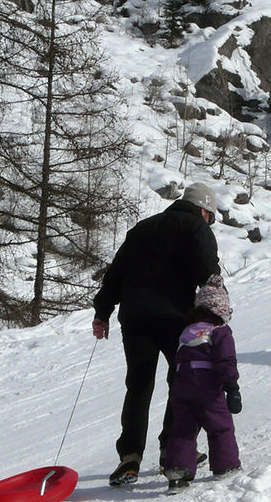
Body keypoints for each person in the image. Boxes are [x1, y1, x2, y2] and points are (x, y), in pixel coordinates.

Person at [92, 183, 221, 486]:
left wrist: (102, 312)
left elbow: (115, 274)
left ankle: (130, 457)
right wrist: (218, 308)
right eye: (211, 217)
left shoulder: (142, 228)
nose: (209, 222)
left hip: (135, 318)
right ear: (203, 210)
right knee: (181, 382)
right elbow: (208, 273)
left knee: (138, 384)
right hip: (175, 317)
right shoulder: (196, 228)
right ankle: (171, 451)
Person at [164, 274, 242, 494]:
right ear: (221, 309)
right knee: (220, 425)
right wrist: (232, 388)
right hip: (207, 387)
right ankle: (225, 466)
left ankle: (178, 474)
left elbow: (178, 359)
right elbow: (225, 360)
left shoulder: (186, 332)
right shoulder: (219, 331)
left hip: (181, 385)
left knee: (183, 429)